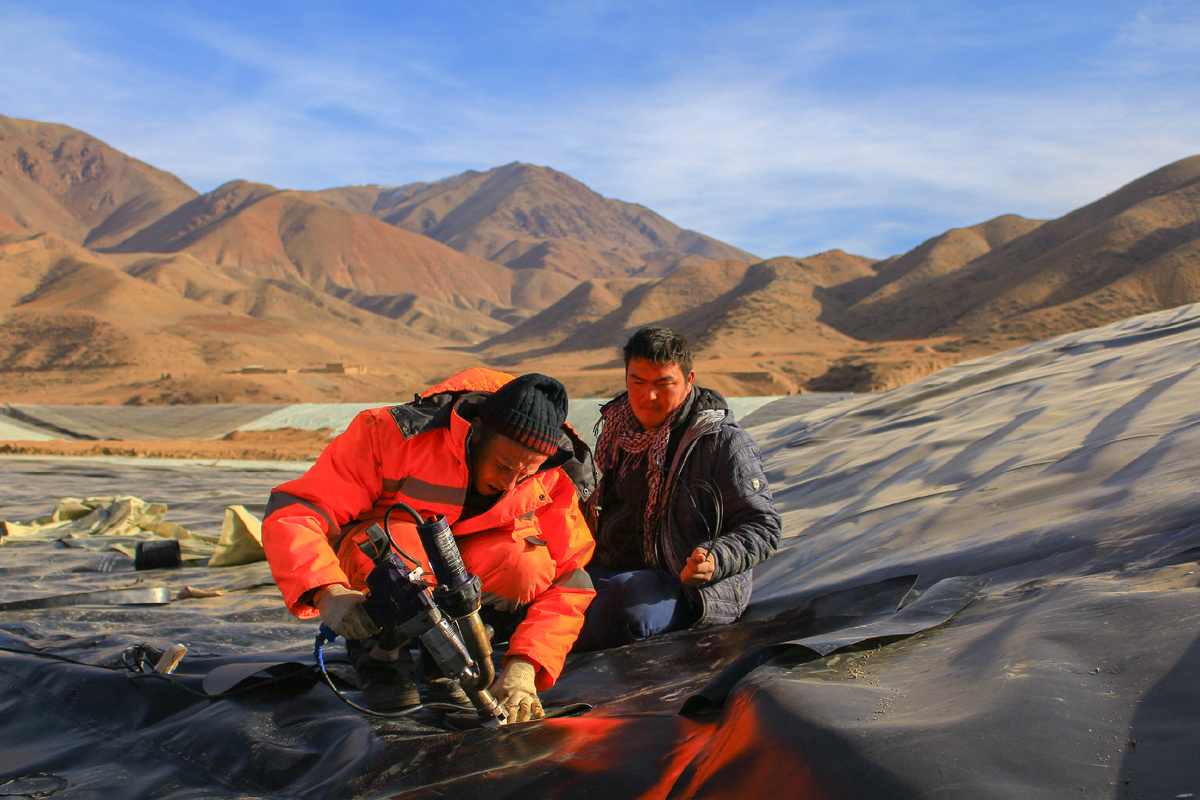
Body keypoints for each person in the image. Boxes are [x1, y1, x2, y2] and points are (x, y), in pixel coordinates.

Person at [261, 369, 596, 722]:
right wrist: (327, 592)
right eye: (502, 465)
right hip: (382, 562)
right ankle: (380, 656)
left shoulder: (553, 478)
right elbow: (299, 511)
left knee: (526, 563)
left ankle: (450, 660)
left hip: (464, 581)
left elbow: (571, 581)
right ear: (477, 433)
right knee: (397, 550)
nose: (509, 483)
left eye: (525, 474)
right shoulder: (390, 434)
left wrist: (526, 668)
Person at [574, 326, 781, 651]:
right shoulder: (616, 430)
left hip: (683, 583)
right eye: (637, 383)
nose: (648, 396)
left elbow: (763, 527)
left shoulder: (722, 442)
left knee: (626, 605)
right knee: (543, 587)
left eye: (663, 384)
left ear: (688, 379)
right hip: (611, 568)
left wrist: (715, 558)